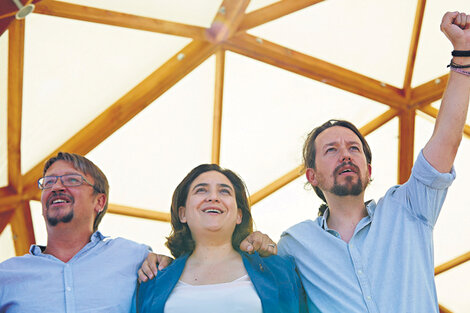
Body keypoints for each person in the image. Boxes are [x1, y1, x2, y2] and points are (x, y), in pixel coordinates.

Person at [276, 11, 470, 313]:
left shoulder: (409, 208)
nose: (345, 154)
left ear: (369, 170)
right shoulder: (295, 244)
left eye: (354, 148)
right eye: (331, 149)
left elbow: (447, 139)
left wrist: (463, 55)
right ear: (311, 176)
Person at [0, 152, 170, 313]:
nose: (56, 187)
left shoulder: (135, 257)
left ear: (99, 201)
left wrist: (168, 265)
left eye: (72, 180)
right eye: (49, 182)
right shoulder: (6, 275)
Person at [135, 164, 307, 313]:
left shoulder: (280, 271)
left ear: (239, 215)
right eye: (201, 190)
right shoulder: (154, 278)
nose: (213, 197)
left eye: (224, 191)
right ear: (183, 214)